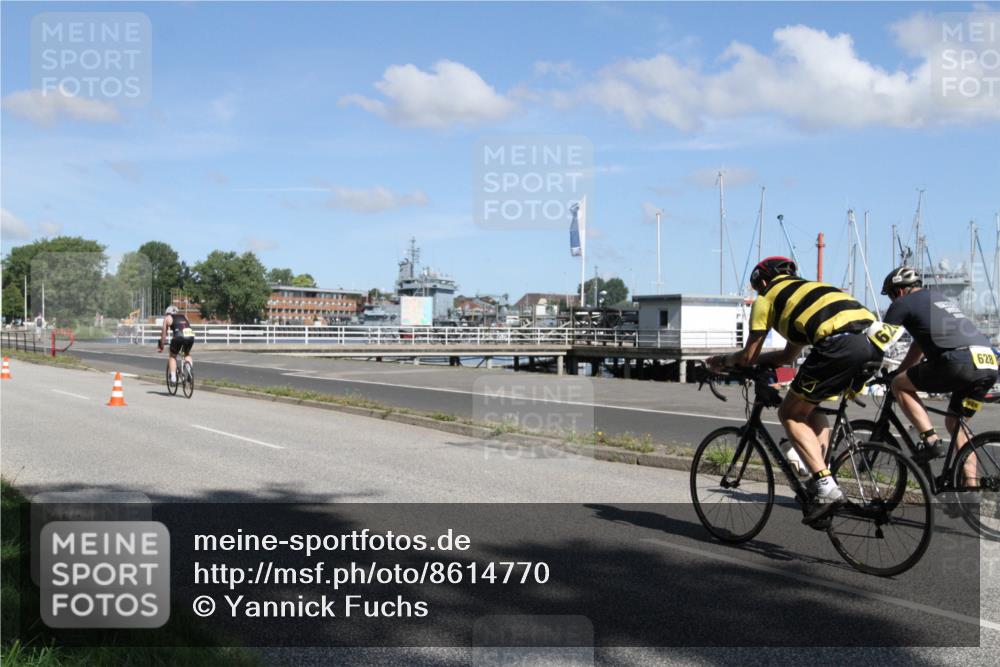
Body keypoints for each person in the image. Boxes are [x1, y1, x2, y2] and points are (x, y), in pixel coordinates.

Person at [707, 256, 885, 525]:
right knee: (809, 408)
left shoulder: (766, 298)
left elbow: (748, 355)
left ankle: (825, 486)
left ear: (762, 282)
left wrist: (723, 362)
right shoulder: (806, 293)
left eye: (757, 287)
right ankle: (822, 476)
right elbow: (788, 355)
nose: (758, 292)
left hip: (837, 346)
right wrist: (763, 361)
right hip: (872, 343)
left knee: (789, 413)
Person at [881, 267, 999, 480]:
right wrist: (900, 371)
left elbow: (879, 341)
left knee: (899, 385)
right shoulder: (938, 299)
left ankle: (931, 441)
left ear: (897, 292)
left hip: (960, 362)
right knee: (956, 424)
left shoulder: (902, 303)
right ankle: (970, 487)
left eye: (890, 296)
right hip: (989, 364)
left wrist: (866, 368)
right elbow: (917, 347)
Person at [159, 305, 195, 384]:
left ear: (167, 313)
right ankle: (190, 373)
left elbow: (164, 334)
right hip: (190, 336)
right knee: (187, 354)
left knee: (172, 356)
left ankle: (173, 378)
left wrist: (161, 345)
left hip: (178, 337)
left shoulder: (168, 318)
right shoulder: (185, 316)